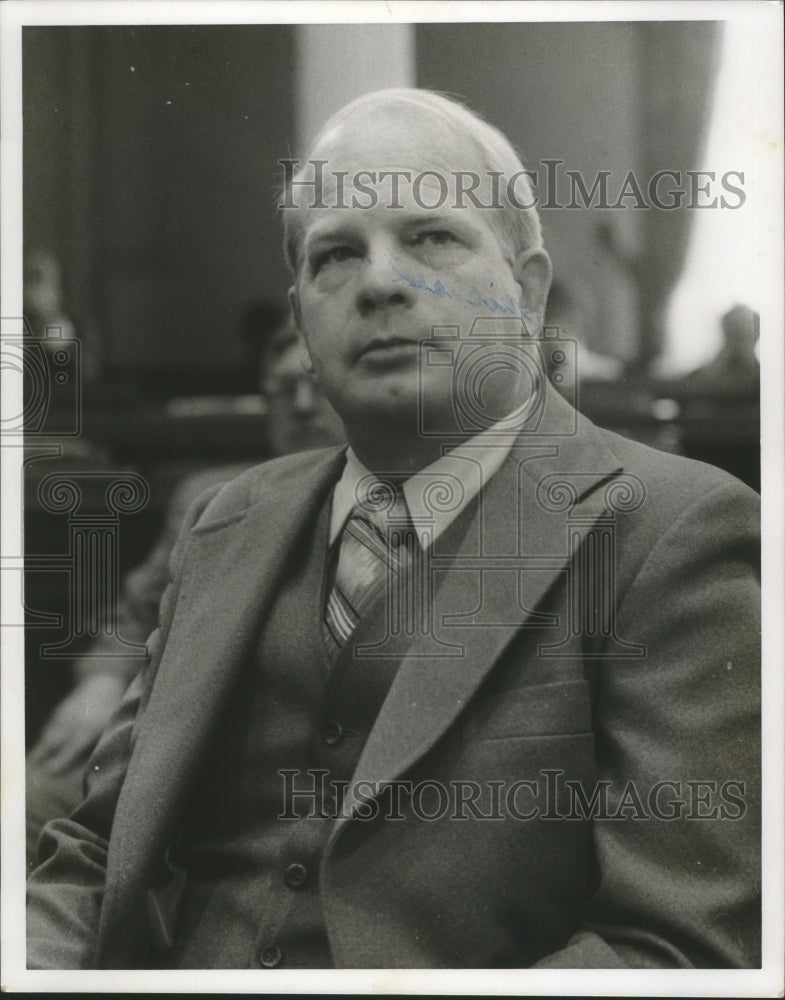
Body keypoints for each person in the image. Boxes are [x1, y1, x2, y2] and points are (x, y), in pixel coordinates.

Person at [26, 89, 760, 970]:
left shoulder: (672, 531)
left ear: (527, 288)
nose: (378, 281)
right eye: (335, 254)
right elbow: (96, 852)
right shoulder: (232, 519)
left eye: (431, 237)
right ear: (300, 322)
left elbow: (675, 948)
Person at [25, 311, 344, 868]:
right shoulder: (213, 495)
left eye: (315, 386)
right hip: (172, 734)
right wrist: (101, 683)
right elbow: (136, 615)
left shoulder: (383, 504)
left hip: (294, 754)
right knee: (28, 799)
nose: (298, 406)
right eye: (281, 388)